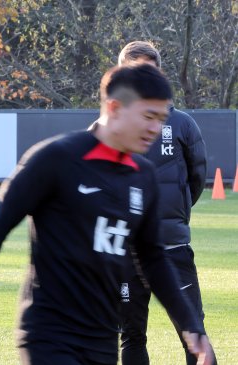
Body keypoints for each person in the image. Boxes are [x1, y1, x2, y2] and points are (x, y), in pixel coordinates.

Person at [0, 63, 215, 365]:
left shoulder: (143, 177)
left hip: (103, 338)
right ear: (114, 108)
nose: (155, 129)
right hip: (49, 333)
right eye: (148, 116)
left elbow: (153, 259)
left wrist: (190, 324)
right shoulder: (55, 159)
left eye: (161, 119)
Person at [117, 41, 216, 365]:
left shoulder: (183, 124)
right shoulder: (107, 129)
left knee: (194, 333)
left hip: (171, 245)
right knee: (131, 336)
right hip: (126, 250)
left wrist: (177, 211)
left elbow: (197, 177)